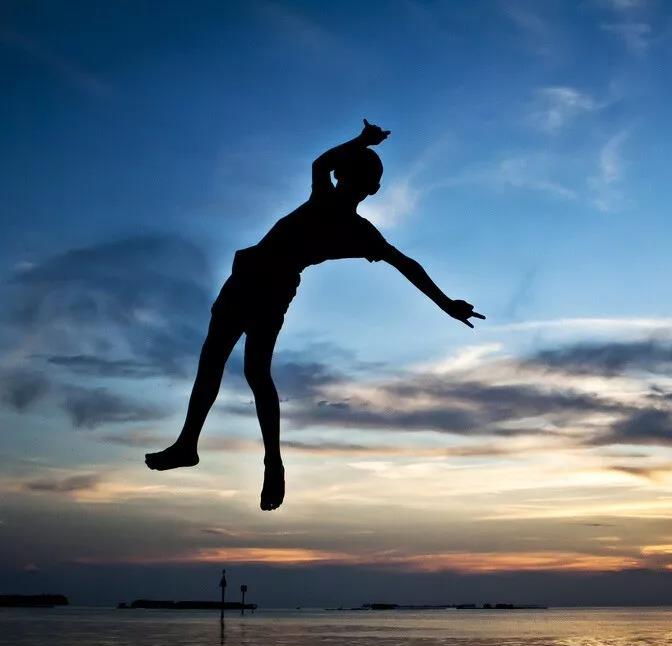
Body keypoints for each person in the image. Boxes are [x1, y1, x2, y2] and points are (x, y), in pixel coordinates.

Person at [145, 120, 484, 510]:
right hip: (268, 285)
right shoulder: (359, 230)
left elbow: (322, 164)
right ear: (373, 188)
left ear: (343, 177)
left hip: (257, 281)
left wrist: (361, 141)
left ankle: (209, 449)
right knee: (248, 371)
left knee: (222, 363)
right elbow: (405, 263)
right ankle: (242, 457)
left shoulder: (329, 204)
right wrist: (445, 304)